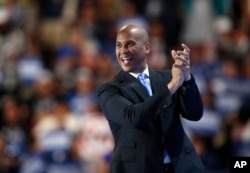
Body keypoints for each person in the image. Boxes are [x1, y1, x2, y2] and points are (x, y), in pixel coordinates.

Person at [96, 24, 206, 173]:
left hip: (182, 166)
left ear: (147, 48)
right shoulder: (109, 89)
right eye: (119, 45)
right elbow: (133, 117)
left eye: (130, 44)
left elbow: (195, 114)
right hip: (139, 168)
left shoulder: (168, 77)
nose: (123, 50)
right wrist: (172, 86)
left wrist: (186, 79)